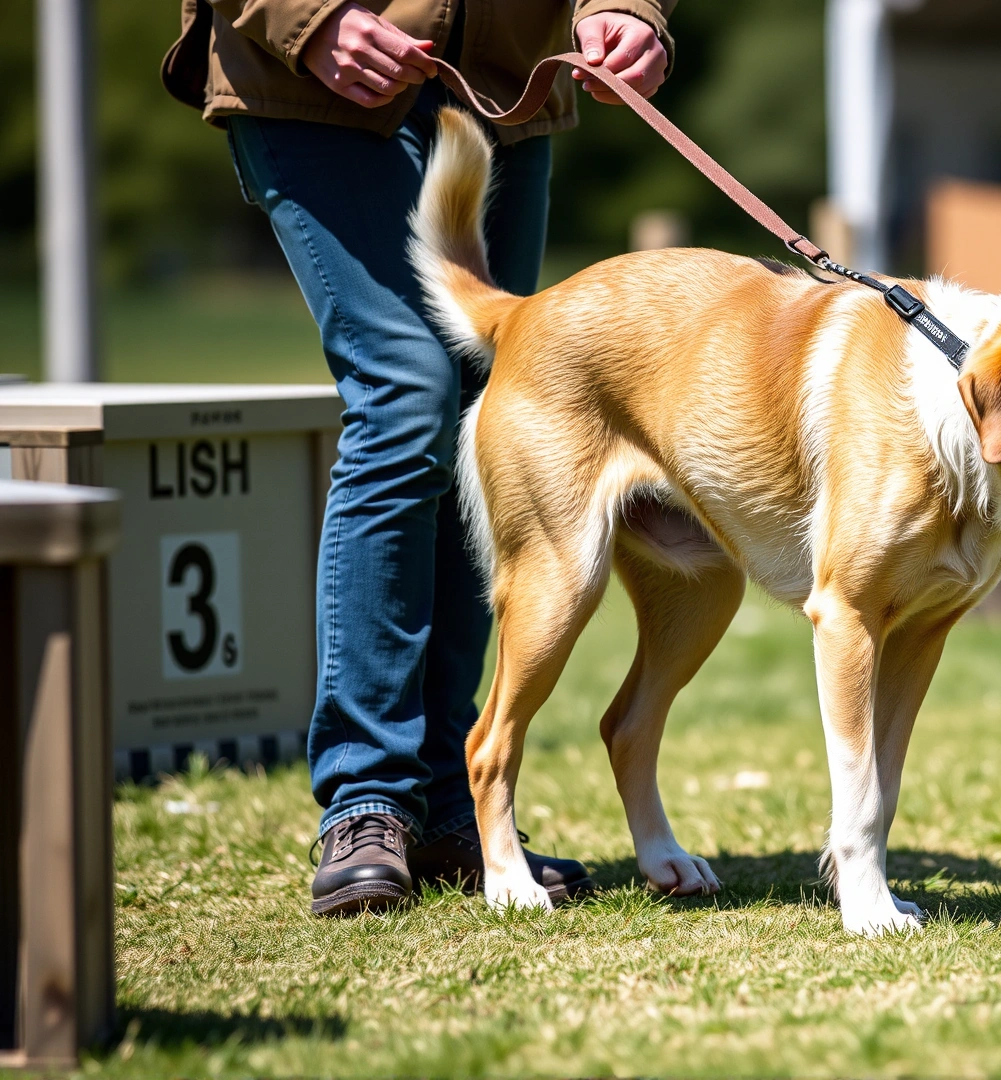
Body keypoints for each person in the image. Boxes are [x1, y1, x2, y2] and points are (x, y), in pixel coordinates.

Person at [162, 0, 675, 916]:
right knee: (406, 396)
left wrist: (627, 11)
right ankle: (366, 798)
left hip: (508, 90)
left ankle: (446, 805)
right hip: (307, 84)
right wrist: (304, 17)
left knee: (490, 410)